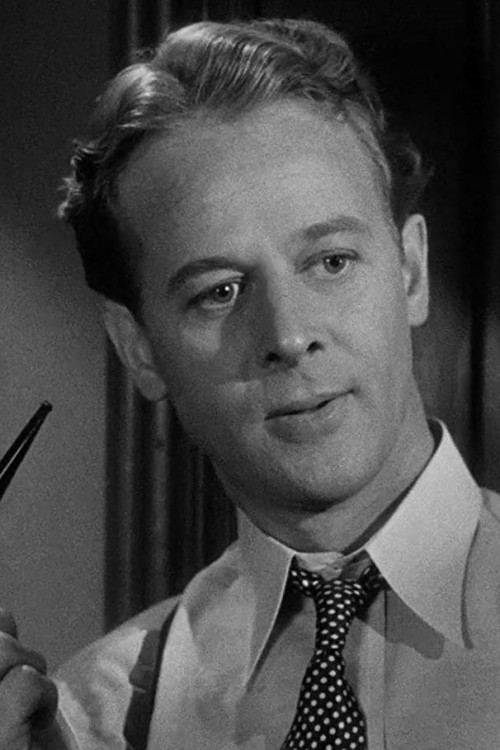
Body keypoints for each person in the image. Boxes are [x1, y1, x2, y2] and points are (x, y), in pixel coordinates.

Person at [2, 16, 500, 750]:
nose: (288, 336)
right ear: (139, 349)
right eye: (220, 292)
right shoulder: (88, 722)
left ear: (411, 271)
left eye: (331, 261)